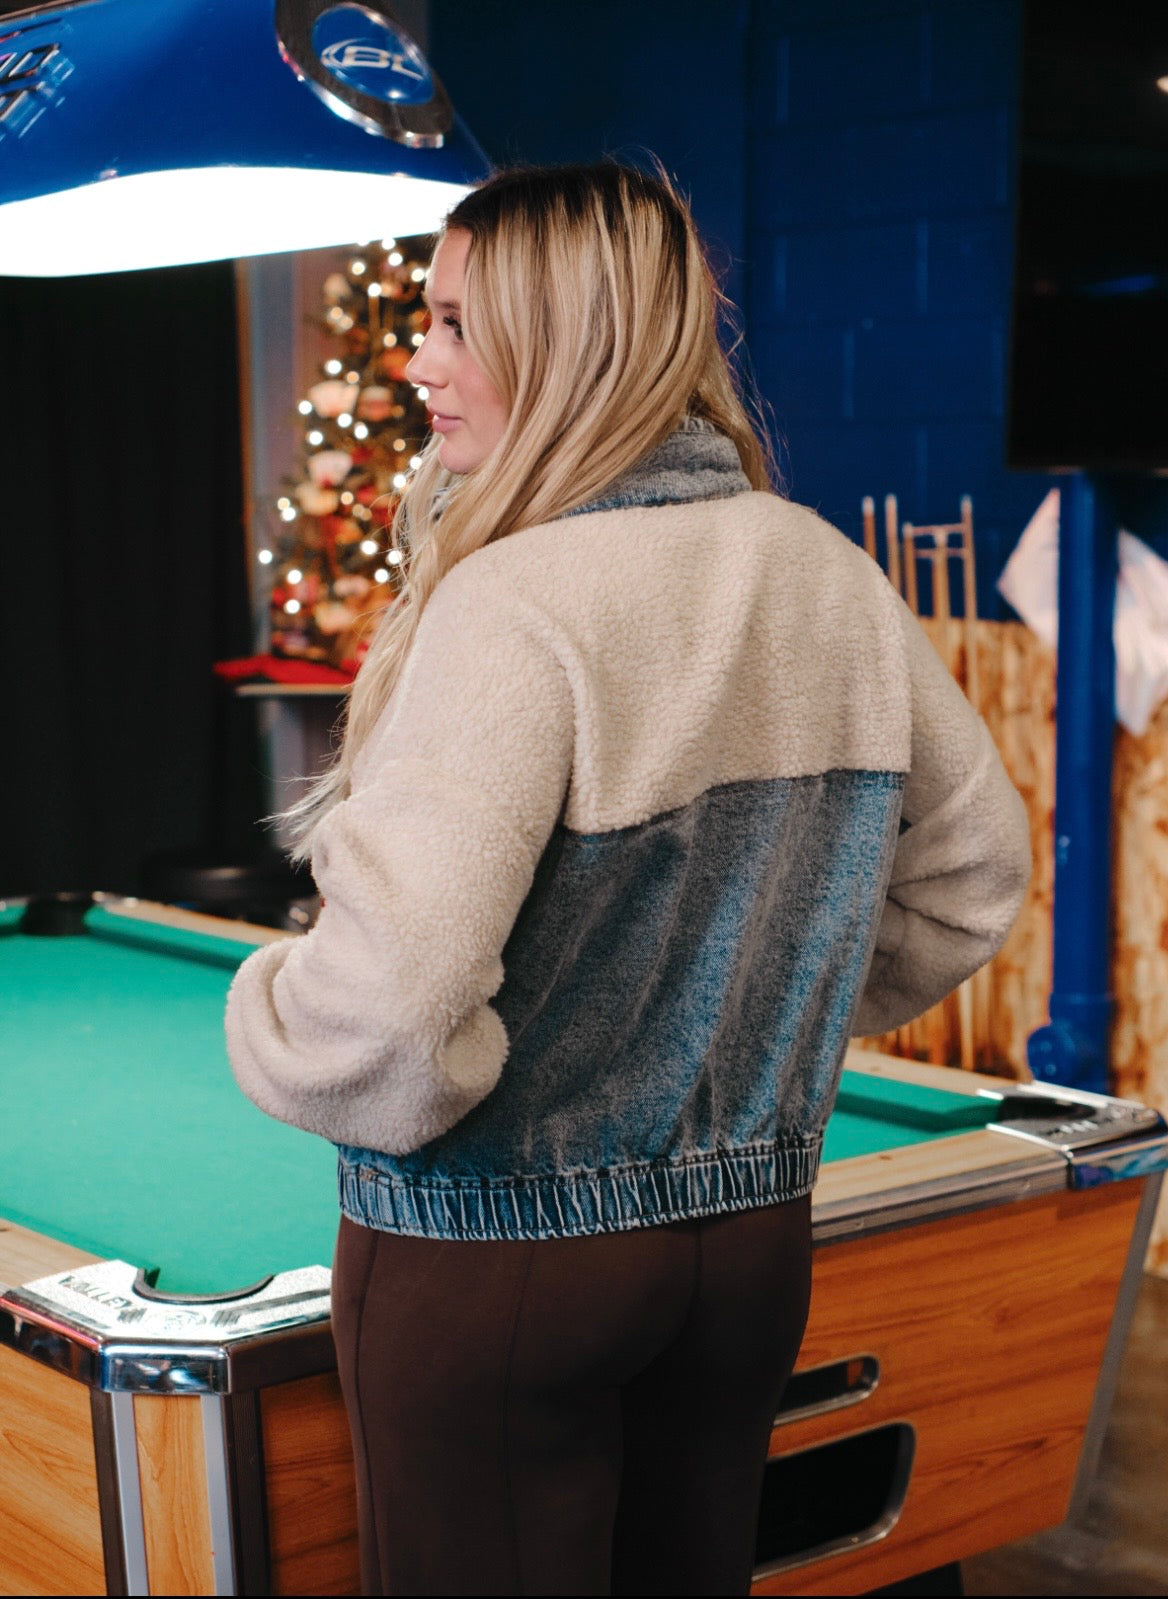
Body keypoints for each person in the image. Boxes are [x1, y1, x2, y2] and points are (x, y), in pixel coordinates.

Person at [226, 161, 1030, 1597]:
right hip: (748, 1257)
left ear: (568, 340)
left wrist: (265, 1009)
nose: (417, 363)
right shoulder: (819, 566)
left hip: (493, 1267)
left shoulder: (513, 600)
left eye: (455, 324)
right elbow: (974, 875)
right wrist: (757, 1010)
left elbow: (392, 1015)